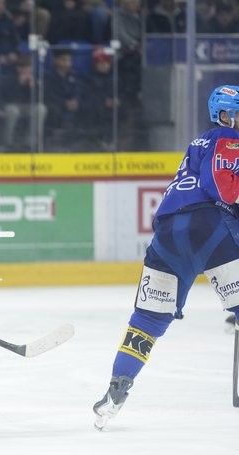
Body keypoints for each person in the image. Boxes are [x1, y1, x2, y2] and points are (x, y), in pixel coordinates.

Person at [93, 85, 239, 430]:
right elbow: (224, 189)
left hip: (168, 236)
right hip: (208, 227)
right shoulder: (228, 139)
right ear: (223, 115)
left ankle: (116, 390)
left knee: (146, 321)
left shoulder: (199, 143)